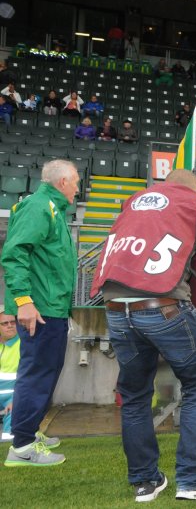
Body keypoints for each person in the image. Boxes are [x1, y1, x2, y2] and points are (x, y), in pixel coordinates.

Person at [91, 169, 196, 501]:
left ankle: (145, 482)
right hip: (164, 305)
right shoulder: (193, 201)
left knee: (134, 396)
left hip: (116, 309)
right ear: (195, 189)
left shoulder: (133, 204)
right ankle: (192, 480)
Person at [2, 159, 79, 467]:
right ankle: (21, 447)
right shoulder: (39, 207)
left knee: (46, 372)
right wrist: (24, 301)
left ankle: (29, 432)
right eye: (75, 182)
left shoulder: (51, 208)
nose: (77, 188)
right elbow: (14, 254)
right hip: (40, 309)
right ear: (63, 182)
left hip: (52, 308)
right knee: (36, 374)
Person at [0, 306, 20, 442]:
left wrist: (16, 399)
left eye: (13, 322)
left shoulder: (24, 344)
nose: (10, 326)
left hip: (14, 396)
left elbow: (30, 378)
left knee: (15, 411)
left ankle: (9, 448)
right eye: (4, 323)